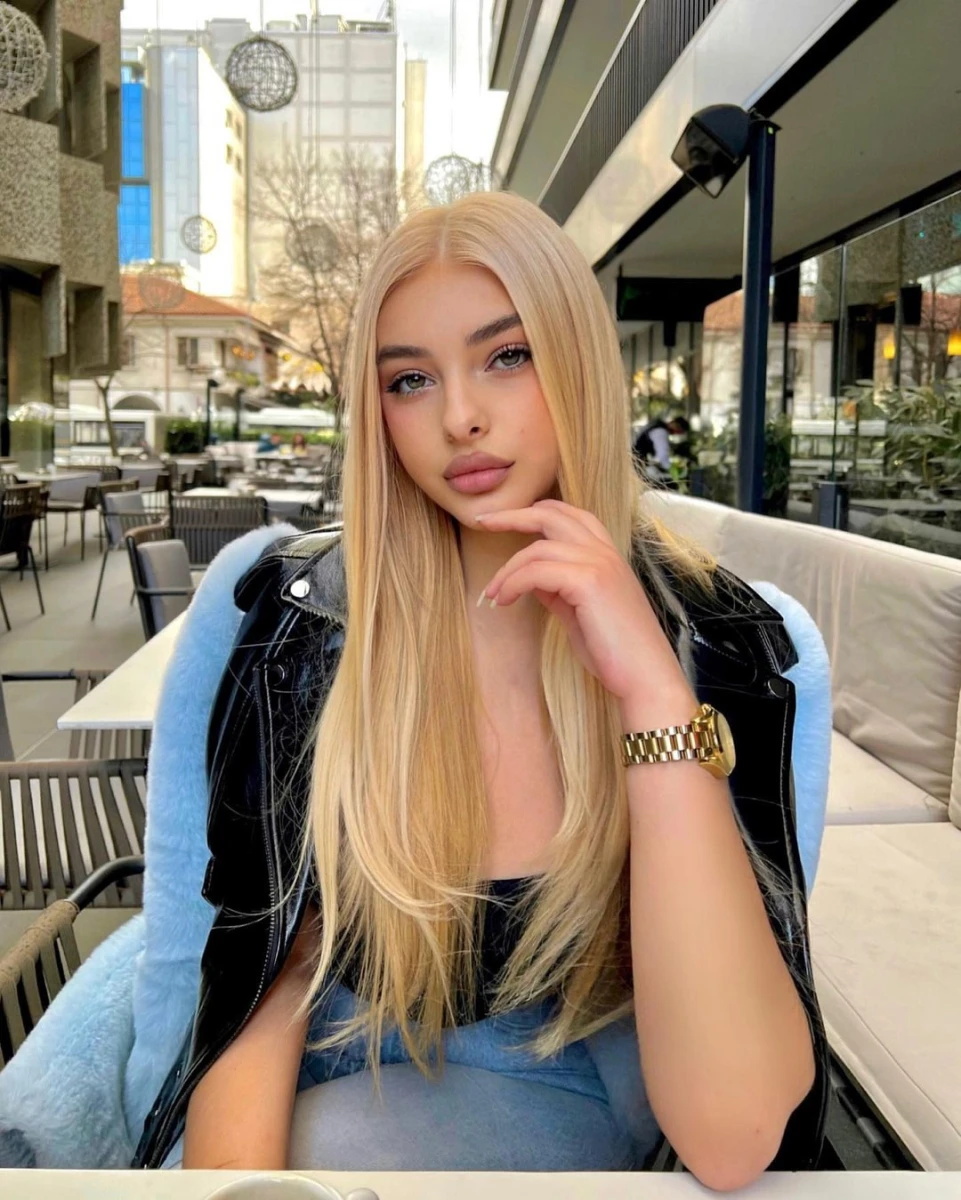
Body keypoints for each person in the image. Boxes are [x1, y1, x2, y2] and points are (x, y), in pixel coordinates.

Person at [135, 192, 827, 1184]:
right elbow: (235, 984)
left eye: (507, 355)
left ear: (578, 359)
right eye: (410, 379)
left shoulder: (740, 647)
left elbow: (731, 1137)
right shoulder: (278, 616)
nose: (459, 416)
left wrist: (652, 696)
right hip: (321, 1082)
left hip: (581, 1114)